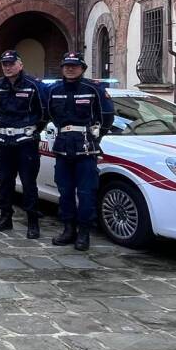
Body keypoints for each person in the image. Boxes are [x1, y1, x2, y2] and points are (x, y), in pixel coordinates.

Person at [45, 52, 115, 251]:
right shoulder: (54, 89)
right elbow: (50, 113)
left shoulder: (93, 89)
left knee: (86, 193)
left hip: (86, 149)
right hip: (63, 148)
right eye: (66, 65)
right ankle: (68, 229)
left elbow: (107, 116)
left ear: (82, 68)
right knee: (65, 191)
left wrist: (95, 137)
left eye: (74, 66)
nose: (70, 69)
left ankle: (84, 233)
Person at [0, 50, 47, 238]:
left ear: (20, 65)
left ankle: (32, 222)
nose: (7, 67)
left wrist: (33, 129)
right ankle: (5, 218)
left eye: (11, 63)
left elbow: (44, 112)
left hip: (26, 143)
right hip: (5, 143)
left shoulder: (33, 85)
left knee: (29, 183)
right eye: (4, 64)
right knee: (5, 182)